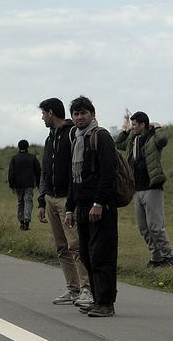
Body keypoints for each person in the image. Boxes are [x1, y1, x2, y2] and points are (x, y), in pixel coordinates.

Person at [64, 96, 118, 317]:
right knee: (86, 254)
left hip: (100, 206)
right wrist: (70, 207)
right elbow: (73, 177)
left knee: (101, 255)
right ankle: (97, 299)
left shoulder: (101, 137)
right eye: (76, 114)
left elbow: (108, 174)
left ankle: (106, 303)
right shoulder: (76, 138)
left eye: (83, 113)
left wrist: (99, 203)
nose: (79, 117)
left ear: (93, 114)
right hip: (83, 206)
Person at [38, 97, 93, 307]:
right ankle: (73, 288)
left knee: (76, 245)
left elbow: (76, 168)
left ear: (51, 112)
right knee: (61, 247)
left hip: (67, 199)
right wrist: (42, 200)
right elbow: (44, 170)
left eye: (43, 113)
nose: (42, 117)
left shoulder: (72, 134)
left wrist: (73, 199)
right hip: (51, 198)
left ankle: (87, 288)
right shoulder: (49, 138)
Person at [115, 110, 173, 268]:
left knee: (155, 226)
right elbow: (118, 144)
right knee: (143, 227)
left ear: (143, 125)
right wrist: (125, 130)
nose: (132, 127)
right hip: (136, 189)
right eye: (131, 124)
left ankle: (168, 256)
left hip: (152, 187)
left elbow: (163, 140)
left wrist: (159, 127)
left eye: (134, 124)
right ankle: (156, 257)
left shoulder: (153, 137)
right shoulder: (132, 140)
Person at [8, 139, 41, 230]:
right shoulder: (32, 157)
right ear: (27, 147)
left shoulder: (14, 158)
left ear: (19, 147)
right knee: (28, 201)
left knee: (20, 202)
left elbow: (11, 172)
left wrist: (12, 184)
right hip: (29, 184)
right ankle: (27, 220)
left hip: (18, 185)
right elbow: (38, 171)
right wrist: (38, 184)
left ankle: (21, 221)